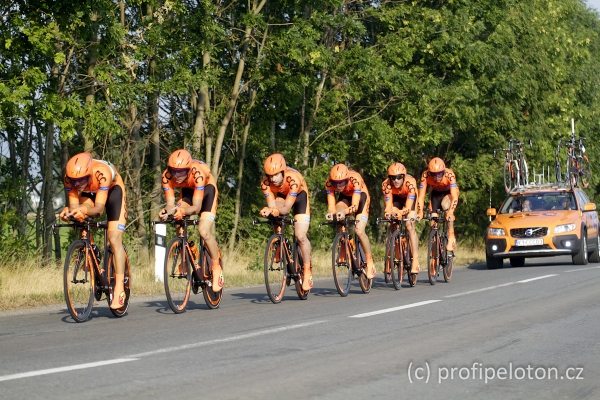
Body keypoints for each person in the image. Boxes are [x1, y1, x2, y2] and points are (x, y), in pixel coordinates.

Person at [59, 152, 128, 309]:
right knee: (79, 216)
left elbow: (98, 209)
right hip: (90, 195)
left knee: (113, 237)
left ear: (89, 173)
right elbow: (76, 206)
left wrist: (83, 210)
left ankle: (119, 287)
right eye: (75, 181)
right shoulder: (70, 179)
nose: (78, 184)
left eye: (82, 180)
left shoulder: (101, 172)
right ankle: (91, 251)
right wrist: (69, 212)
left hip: (112, 192)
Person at [159, 149, 224, 292]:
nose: (177, 176)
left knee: (203, 231)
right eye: (174, 171)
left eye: (181, 172)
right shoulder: (166, 176)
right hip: (188, 191)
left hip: (207, 191)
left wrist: (181, 210)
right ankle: (189, 252)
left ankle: (216, 266)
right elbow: (170, 204)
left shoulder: (198, 173)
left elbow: (196, 207)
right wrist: (167, 211)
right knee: (178, 220)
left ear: (188, 169)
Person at [259, 153, 313, 291]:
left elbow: (286, 208)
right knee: (274, 215)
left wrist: (276, 210)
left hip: (300, 196)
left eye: (276, 175)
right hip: (282, 197)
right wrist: (269, 210)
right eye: (269, 175)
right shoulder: (265, 184)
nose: (273, 179)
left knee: (300, 236)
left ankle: (307, 269)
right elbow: (273, 205)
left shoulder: (293, 179)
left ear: (282, 171)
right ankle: (280, 244)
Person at [325, 163, 376, 279]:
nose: (338, 186)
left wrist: (345, 212)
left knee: (359, 230)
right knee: (338, 215)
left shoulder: (355, 179)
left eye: (342, 182)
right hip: (345, 198)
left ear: (347, 179)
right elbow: (331, 206)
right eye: (335, 183)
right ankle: (345, 243)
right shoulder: (329, 183)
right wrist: (331, 213)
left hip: (360, 198)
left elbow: (355, 206)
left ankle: (369, 260)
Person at [382, 162, 420, 274]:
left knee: (409, 225)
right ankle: (392, 254)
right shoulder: (386, 185)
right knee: (392, 223)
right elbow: (388, 206)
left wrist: (401, 213)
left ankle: (416, 260)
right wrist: (388, 213)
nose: (396, 180)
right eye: (393, 178)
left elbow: (408, 207)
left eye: (399, 177)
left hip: (409, 200)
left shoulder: (410, 183)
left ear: (403, 176)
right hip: (397, 199)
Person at [417, 157, 460, 252]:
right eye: (433, 174)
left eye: (440, 174)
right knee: (433, 220)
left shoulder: (450, 175)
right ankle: (435, 250)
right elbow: (421, 196)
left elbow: (454, 197)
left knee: (445, 206)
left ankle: (451, 235)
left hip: (449, 193)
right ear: (429, 172)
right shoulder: (425, 175)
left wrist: (451, 212)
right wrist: (420, 211)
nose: (436, 177)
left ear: (444, 171)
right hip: (436, 194)